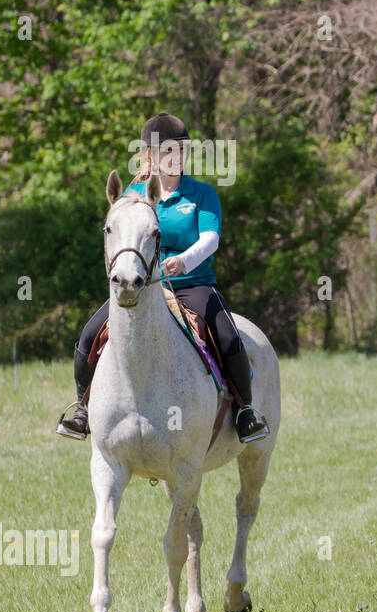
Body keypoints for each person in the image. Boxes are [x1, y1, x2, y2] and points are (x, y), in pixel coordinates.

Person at [56, 112, 270, 445]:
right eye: (169, 151)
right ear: (152, 156)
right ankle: (81, 409)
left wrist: (184, 261)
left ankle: (245, 412)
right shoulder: (135, 193)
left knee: (229, 338)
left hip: (194, 284)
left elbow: (211, 238)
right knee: (88, 337)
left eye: (182, 151)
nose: (177, 158)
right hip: (143, 289)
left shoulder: (201, 194)